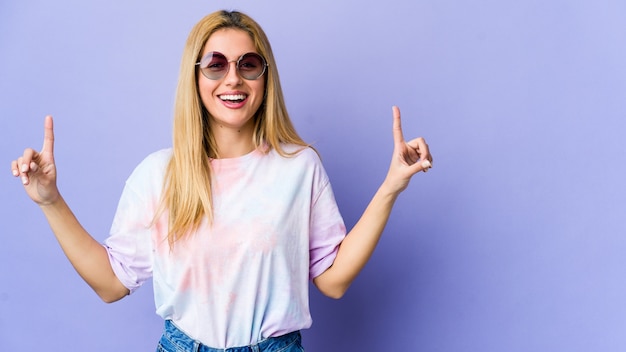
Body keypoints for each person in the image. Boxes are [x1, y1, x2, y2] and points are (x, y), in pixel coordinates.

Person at [10, 9, 433, 352]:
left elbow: (334, 280)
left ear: (265, 79)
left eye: (248, 65)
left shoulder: (299, 168)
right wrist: (50, 201)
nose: (233, 79)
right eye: (215, 65)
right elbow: (109, 284)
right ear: (195, 79)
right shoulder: (159, 175)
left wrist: (391, 186)